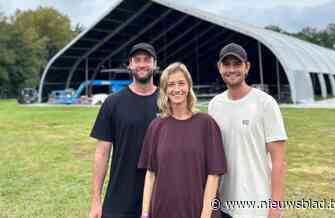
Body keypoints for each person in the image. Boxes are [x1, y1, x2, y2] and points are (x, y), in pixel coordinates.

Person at [208, 43, 288, 218]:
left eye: (237, 64)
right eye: (226, 64)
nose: (231, 69)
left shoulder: (265, 104)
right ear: (219, 67)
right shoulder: (214, 105)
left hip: (257, 206)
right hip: (225, 206)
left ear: (247, 67)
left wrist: (275, 209)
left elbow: (279, 163)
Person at [138, 62, 227, 218]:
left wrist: (205, 215)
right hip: (162, 211)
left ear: (189, 87)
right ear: (165, 90)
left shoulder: (206, 124)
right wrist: (145, 214)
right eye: (171, 84)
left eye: (181, 83)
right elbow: (150, 174)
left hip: (198, 211)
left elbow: (214, 175)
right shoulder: (156, 126)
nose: (177, 89)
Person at [89, 42, 159, 218]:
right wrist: (96, 200)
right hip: (120, 197)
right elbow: (102, 153)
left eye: (147, 60)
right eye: (137, 60)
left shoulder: (167, 101)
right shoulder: (113, 103)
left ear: (155, 64)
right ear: (130, 65)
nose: (142, 64)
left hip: (159, 194)